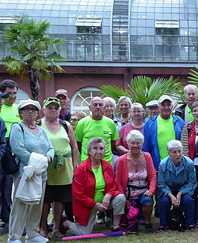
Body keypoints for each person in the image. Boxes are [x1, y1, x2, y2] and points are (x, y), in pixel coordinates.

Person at [8, 99, 54, 243]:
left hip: (41, 174)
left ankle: (33, 234)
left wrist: (48, 157)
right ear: (21, 113)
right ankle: (14, 236)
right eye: (26, 109)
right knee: (20, 204)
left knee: (37, 204)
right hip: (25, 174)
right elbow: (18, 148)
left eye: (33, 109)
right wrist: (38, 162)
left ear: (37, 113)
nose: (30, 112)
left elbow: (50, 148)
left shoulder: (42, 130)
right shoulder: (17, 128)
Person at [64, 138, 126, 235]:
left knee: (120, 198)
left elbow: (114, 185)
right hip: (88, 204)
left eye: (101, 148)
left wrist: (109, 195)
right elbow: (78, 194)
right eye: (95, 148)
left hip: (105, 202)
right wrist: (95, 205)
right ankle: (66, 222)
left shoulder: (107, 166)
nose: (98, 151)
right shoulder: (81, 169)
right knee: (84, 233)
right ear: (89, 151)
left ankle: (115, 226)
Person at [39, 97, 79, 239]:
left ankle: (56, 227)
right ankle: (42, 227)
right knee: (45, 200)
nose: (53, 110)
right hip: (46, 168)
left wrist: (75, 166)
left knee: (60, 199)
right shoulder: (38, 125)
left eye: (56, 107)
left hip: (65, 169)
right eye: (50, 107)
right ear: (44, 109)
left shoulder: (66, 125)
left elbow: (74, 147)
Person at [115, 130, 156, 232]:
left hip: (144, 191)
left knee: (147, 201)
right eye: (132, 143)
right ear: (128, 144)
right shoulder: (121, 160)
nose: (135, 145)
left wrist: (151, 190)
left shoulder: (147, 156)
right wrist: (123, 196)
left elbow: (153, 176)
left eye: (138, 143)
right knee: (131, 225)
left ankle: (147, 223)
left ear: (142, 144)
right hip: (128, 193)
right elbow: (118, 181)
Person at [157, 140, 197, 231]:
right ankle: (163, 225)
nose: (178, 154)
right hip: (169, 189)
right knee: (164, 201)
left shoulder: (189, 163)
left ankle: (190, 224)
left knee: (188, 200)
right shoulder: (163, 164)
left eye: (179, 151)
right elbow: (161, 184)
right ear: (169, 153)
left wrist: (180, 193)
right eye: (174, 152)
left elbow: (192, 183)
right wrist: (171, 196)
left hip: (184, 189)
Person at [143, 95, 185, 170]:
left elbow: (185, 143)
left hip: (177, 165)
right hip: (158, 165)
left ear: (172, 106)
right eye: (163, 105)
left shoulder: (179, 121)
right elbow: (146, 147)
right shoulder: (150, 123)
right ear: (159, 106)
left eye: (168, 105)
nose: (166, 107)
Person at [75, 97, 119, 164]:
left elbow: (113, 144)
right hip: (87, 164)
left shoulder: (111, 123)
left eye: (100, 105)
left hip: (106, 164)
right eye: (95, 105)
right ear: (90, 108)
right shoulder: (82, 123)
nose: (98, 107)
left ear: (104, 108)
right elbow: (78, 144)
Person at [0, 79, 19, 234]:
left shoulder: (18, 109)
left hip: (12, 151)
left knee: (8, 187)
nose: (11, 96)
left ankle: (7, 219)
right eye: (8, 94)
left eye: (14, 93)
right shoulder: (0, 108)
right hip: (2, 148)